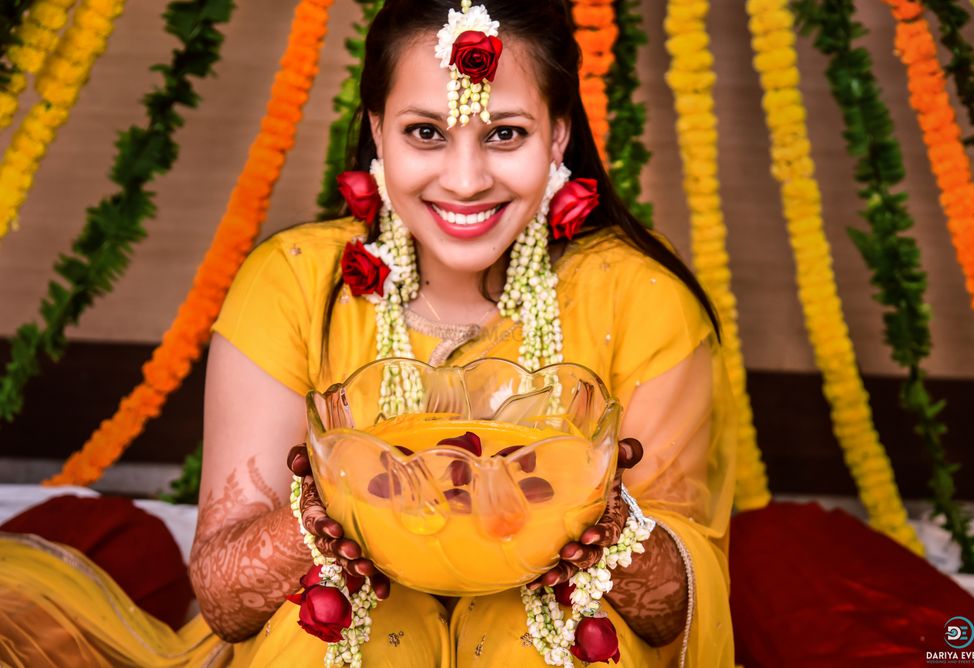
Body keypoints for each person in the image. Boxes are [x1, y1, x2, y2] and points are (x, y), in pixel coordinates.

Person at [0, 0, 736, 665]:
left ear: (558, 137)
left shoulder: (640, 298)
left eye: (505, 134)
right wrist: (332, 507)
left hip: (546, 636)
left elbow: (675, 612)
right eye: (426, 132)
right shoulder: (294, 282)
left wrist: (600, 523)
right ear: (378, 132)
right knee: (336, 630)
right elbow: (224, 600)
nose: (466, 178)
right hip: (344, 629)